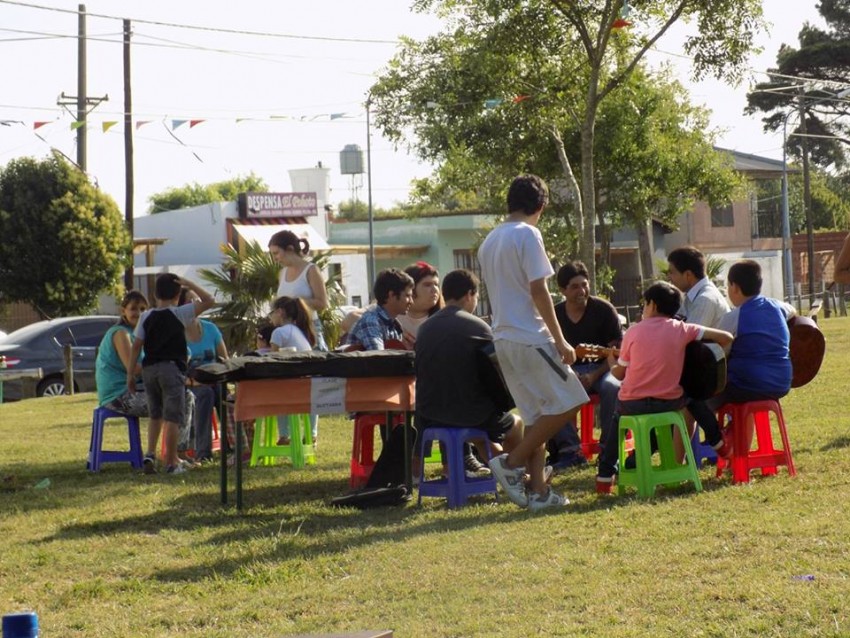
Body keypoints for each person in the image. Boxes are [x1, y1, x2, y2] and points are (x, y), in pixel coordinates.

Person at [477, 174, 588, 511]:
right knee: (573, 400)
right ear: (540, 206)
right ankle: (510, 464)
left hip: (504, 339)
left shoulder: (489, 240)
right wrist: (561, 340)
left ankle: (539, 493)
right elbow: (538, 290)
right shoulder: (528, 233)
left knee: (537, 416)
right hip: (530, 336)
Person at [595, 281, 734, 494]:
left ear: (652, 305)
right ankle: (717, 442)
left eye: (644, 304)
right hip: (669, 402)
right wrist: (700, 356)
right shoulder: (682, 329)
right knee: (693, 400)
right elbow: (726, 337)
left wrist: (612, 362)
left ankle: (605, 476)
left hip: (632, 404)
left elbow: (619, 374)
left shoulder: (633, 332)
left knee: (616, 424)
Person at [415, 269, 522, 478]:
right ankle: (516, 473)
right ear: (469, 295)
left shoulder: (425, 328)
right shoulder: (478, 327)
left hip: (430, 414)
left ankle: (508, 473)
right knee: (515, 424)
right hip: (469, 413)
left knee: (484, 434)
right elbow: (499, 371)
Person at [688, 260, 794, 451]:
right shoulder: (777, 306)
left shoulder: (734, 317)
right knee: (742, 399)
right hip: (781, 383)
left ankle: (719, 441)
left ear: (734, 287)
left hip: (747, 385)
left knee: (694, 400)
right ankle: (739, 450)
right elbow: (792, 311)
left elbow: (715, 346)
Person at [128, 274, 215, 475]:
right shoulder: (181, 313)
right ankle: (171, 463)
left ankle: (149, 454)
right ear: (178, 294)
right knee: (173, 417)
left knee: (155, 414)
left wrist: (130, 374)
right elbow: (210, 301)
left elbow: (136, 347)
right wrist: (191, 283)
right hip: (171, 369)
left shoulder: (146, 316)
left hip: (149, 369)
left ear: (154, 294)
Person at [549, 260, 622, 472]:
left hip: (603, 369)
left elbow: (615, 353)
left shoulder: (604, 310)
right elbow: (551, 355)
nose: (582, 290)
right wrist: (571, 374)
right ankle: (571, 451)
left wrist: (593, 375)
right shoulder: (555, 315)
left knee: (612, 387)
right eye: (574, 286)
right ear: (562, 290)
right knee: (552, 389)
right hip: (568, 372)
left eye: (584, 284)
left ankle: (609, 452)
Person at [184, 288, 228, 463]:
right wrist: (191, 382)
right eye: (189, 301)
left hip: (213, 378)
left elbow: (224, 359)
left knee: (223, 393)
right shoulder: (175, 333)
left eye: (196, 300)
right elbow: (174, 369)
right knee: (205, 394)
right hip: (188, 383)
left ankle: (234, 446)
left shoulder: (211, 329)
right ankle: (203, 452)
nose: (194, 304)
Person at [268, 295, 318, 444]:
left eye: (272, 313)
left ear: (280, 312)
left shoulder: (279, 332)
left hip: (292, 387)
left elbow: (272, 361)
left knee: (276, 392)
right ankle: (312, 433)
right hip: (309, 384)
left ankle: (284, 434)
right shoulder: (299, 330)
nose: (271, 317)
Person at [268, 229, 329, 351]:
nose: (274, 259)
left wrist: (294, 303)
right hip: (287, 331)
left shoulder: (311, 270)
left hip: (308, 328)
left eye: (276, 253)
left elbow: (323, 303)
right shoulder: (282, 273)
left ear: (290, 249)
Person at [96, 290, 151, 416]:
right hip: (117, 396)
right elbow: (133, 369)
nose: (139, 313)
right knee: (173, 401)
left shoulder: (140, 334)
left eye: (143, 309)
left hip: (137, 389)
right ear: (123, 311)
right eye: (133, 309)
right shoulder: (121, 333)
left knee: (186, 396)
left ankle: (188, 437)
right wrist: (161, 367)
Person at [344, 268, 414, 350]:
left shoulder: (394, 326)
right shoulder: (370, 321)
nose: (411, 301)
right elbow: (379, 358)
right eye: (407, 296)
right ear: (391, 295)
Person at [667, 246, 730, 327]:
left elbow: (688, 336)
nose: (669, 277)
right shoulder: (692, 296)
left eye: (672, 272)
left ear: (688, 275)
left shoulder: (705, 299)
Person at [395, 261, 444, 345]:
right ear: (410, 289)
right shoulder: (391, 317)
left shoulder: (443, 321)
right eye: (427, 285)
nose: (435, 289)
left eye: (436, 284)